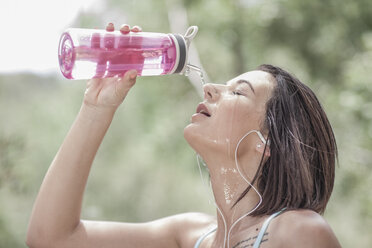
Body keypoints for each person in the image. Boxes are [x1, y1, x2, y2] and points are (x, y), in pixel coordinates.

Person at [26, 23, 342, 248]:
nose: (210, 88)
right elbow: (51, 237)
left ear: (267, 142)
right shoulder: (188, 235)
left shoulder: (297, 233)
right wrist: (96, 106)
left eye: (237, 92)